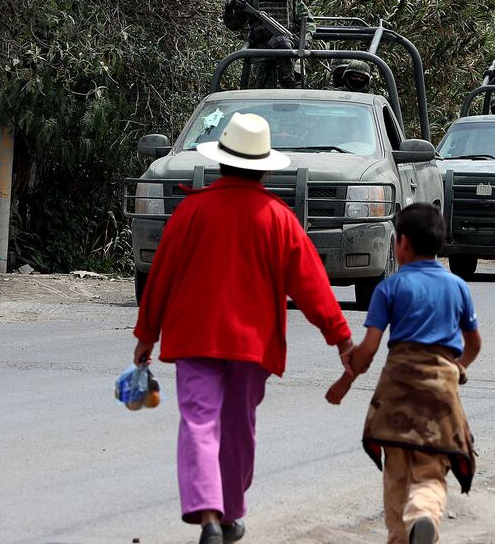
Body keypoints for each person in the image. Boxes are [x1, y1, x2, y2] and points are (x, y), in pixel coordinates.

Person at [132, 113, 353, 544]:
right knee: (238, 428)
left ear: (221, 161)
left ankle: (209, 515)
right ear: (265, 167)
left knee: (198, 422)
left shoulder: (191, 210)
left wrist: (146, 334)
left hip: (194, 337)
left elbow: (160, 276)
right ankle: (230, 512)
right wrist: (340, 337)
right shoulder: (278, 217)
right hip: (252, 344)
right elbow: (310, 284)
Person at [345, 203, 482, 544]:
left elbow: (370, 348)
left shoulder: (389, 288)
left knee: (396, 478)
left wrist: (350, 365)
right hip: (440, 396)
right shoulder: (457, 287)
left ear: (402, 242)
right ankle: (423, 513)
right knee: (431, 473)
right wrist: (458, 369)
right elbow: (475, 344)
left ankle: (400, 533)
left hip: (396, 398)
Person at [223, 0, 315, 89]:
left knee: (292, 91)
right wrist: (230, 6)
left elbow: (308, 22)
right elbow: (235, 25)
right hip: (260, 55)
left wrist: (304, 41)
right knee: (257, 97)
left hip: (289, 54)